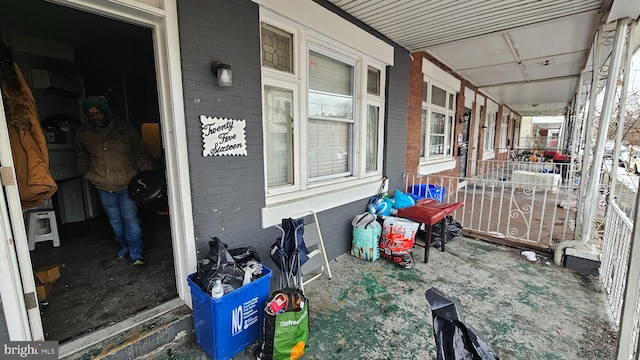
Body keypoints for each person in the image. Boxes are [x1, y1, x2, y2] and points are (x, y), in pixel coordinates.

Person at [75, 96, 154, 265]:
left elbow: (140, 152)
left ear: (105, 112)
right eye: (91, 114)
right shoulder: (84, 133)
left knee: (130, 218)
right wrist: (85, 172)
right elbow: (81, 155)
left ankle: (135, 251)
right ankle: (124, 245)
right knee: (115, 220)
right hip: (103, 184)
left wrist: (147, 169)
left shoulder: (125, 130)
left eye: (98, 113)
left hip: (127, 182)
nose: (95, 117)